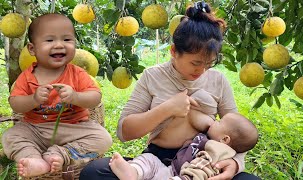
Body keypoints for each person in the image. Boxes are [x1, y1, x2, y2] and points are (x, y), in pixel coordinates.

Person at [80, 1, 259, 180]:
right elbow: (124, 132)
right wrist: (167, 109)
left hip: (200, 163)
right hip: (158, 158)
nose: (202, 70)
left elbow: (238, 132)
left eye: (209, 64)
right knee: (94, 172)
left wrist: (234, 164)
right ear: (174, 51)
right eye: (196, 63)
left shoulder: (218, 80)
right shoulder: (152, 76)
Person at [1, 13, 112, 178]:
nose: (59, 45)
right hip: (35, 129)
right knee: (10, 136)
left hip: (73, 128)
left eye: (67, 40)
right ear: (32, 49)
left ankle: (62, 154)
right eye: (49, 40)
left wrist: (75, 96)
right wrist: (34, 99)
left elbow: (95, 98)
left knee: (103, 138)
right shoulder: (26, 76)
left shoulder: (77, 73)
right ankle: (33, 158)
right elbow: (15, 103)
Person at [108, 108, 259, 180]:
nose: (215, 121)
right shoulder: (210, 139)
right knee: (149, 159)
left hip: (185, 176)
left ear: (225, 139)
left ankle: (135, 172)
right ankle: (132, 172)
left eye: (219, 122)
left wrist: (235, 164)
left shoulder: (217, 150)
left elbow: (201, 169)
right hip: (170, 168)